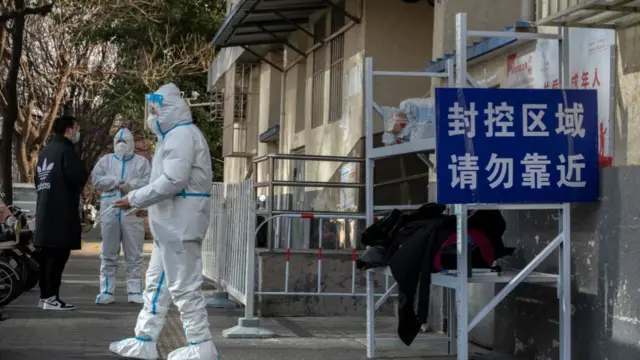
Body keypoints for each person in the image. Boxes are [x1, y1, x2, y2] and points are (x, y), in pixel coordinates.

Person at [109, 83, 216, 360]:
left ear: (168, 108)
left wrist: (135, 199)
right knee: (157, 284)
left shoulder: (181, 136)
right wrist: (144, 203)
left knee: (184, 285)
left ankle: (201, 345)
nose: (153, 115)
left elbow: (172, 180)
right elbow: (169, 183)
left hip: (179, 224)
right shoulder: (174, 137)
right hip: (170, 223)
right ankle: (145, 339)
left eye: (157, 109)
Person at [34, 115, 89, 311]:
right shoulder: (66, 151)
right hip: (61, 213)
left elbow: (37, 181)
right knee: (57, 256)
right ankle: (51, 298)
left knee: (46, 256)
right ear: (69, 129)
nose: (77, 132)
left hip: (44, 211)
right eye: (76, 128)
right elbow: (77, 177)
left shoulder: (45, 152)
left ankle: (44, 296)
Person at [92, 128, 151, 304]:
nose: (121, 144)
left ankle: (134, 291)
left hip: (132, 211)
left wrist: (131, 186)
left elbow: (148, 183)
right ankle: (106, 291)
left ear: (132, 143)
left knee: (134, 253)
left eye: (125, 141)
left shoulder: (142, 163)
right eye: (118, 140)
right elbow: (96, 179)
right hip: (110, 210)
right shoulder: (106, 161)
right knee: (108, 253)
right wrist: (115, 182)